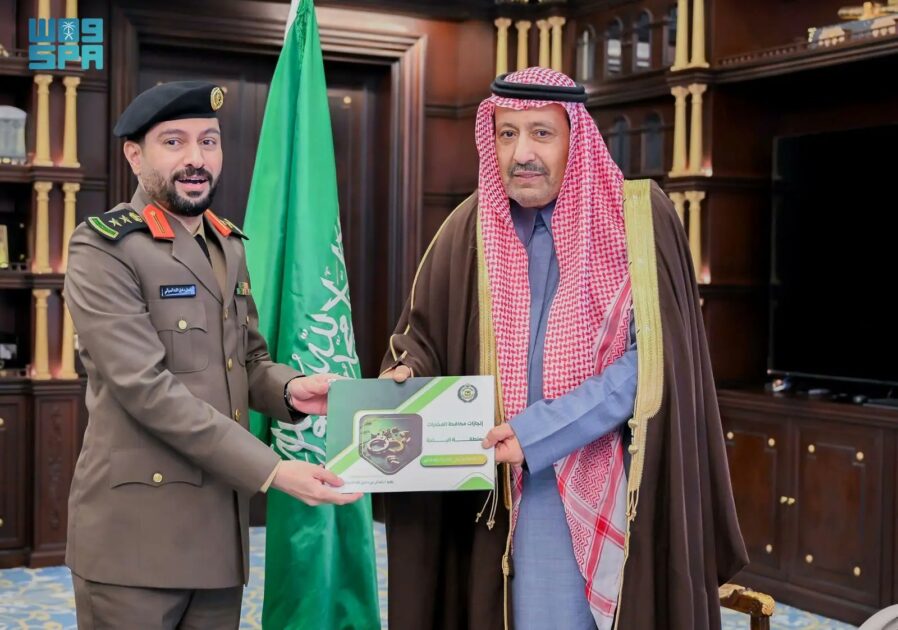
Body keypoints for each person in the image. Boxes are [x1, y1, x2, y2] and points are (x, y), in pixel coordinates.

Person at [381, 67, 747, 630]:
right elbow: (425, 336)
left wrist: (540, 432)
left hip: (608, 474)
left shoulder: (637, 219)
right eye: (507, 134)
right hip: (496, 489)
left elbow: (653, 362)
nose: (521, 153)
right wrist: (406, 373)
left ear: (576, 137)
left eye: (541, 133)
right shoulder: (470, 225)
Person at [63, 80, 359, 629]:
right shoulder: (102, 249)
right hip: (135, 541)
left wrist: (291, 389)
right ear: (135, 156)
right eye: (174, 142)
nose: (196, 159)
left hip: (219, 535)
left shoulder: (228, 245)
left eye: (209, 141)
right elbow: (146, 389)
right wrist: (272, 470)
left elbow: (245, 361)